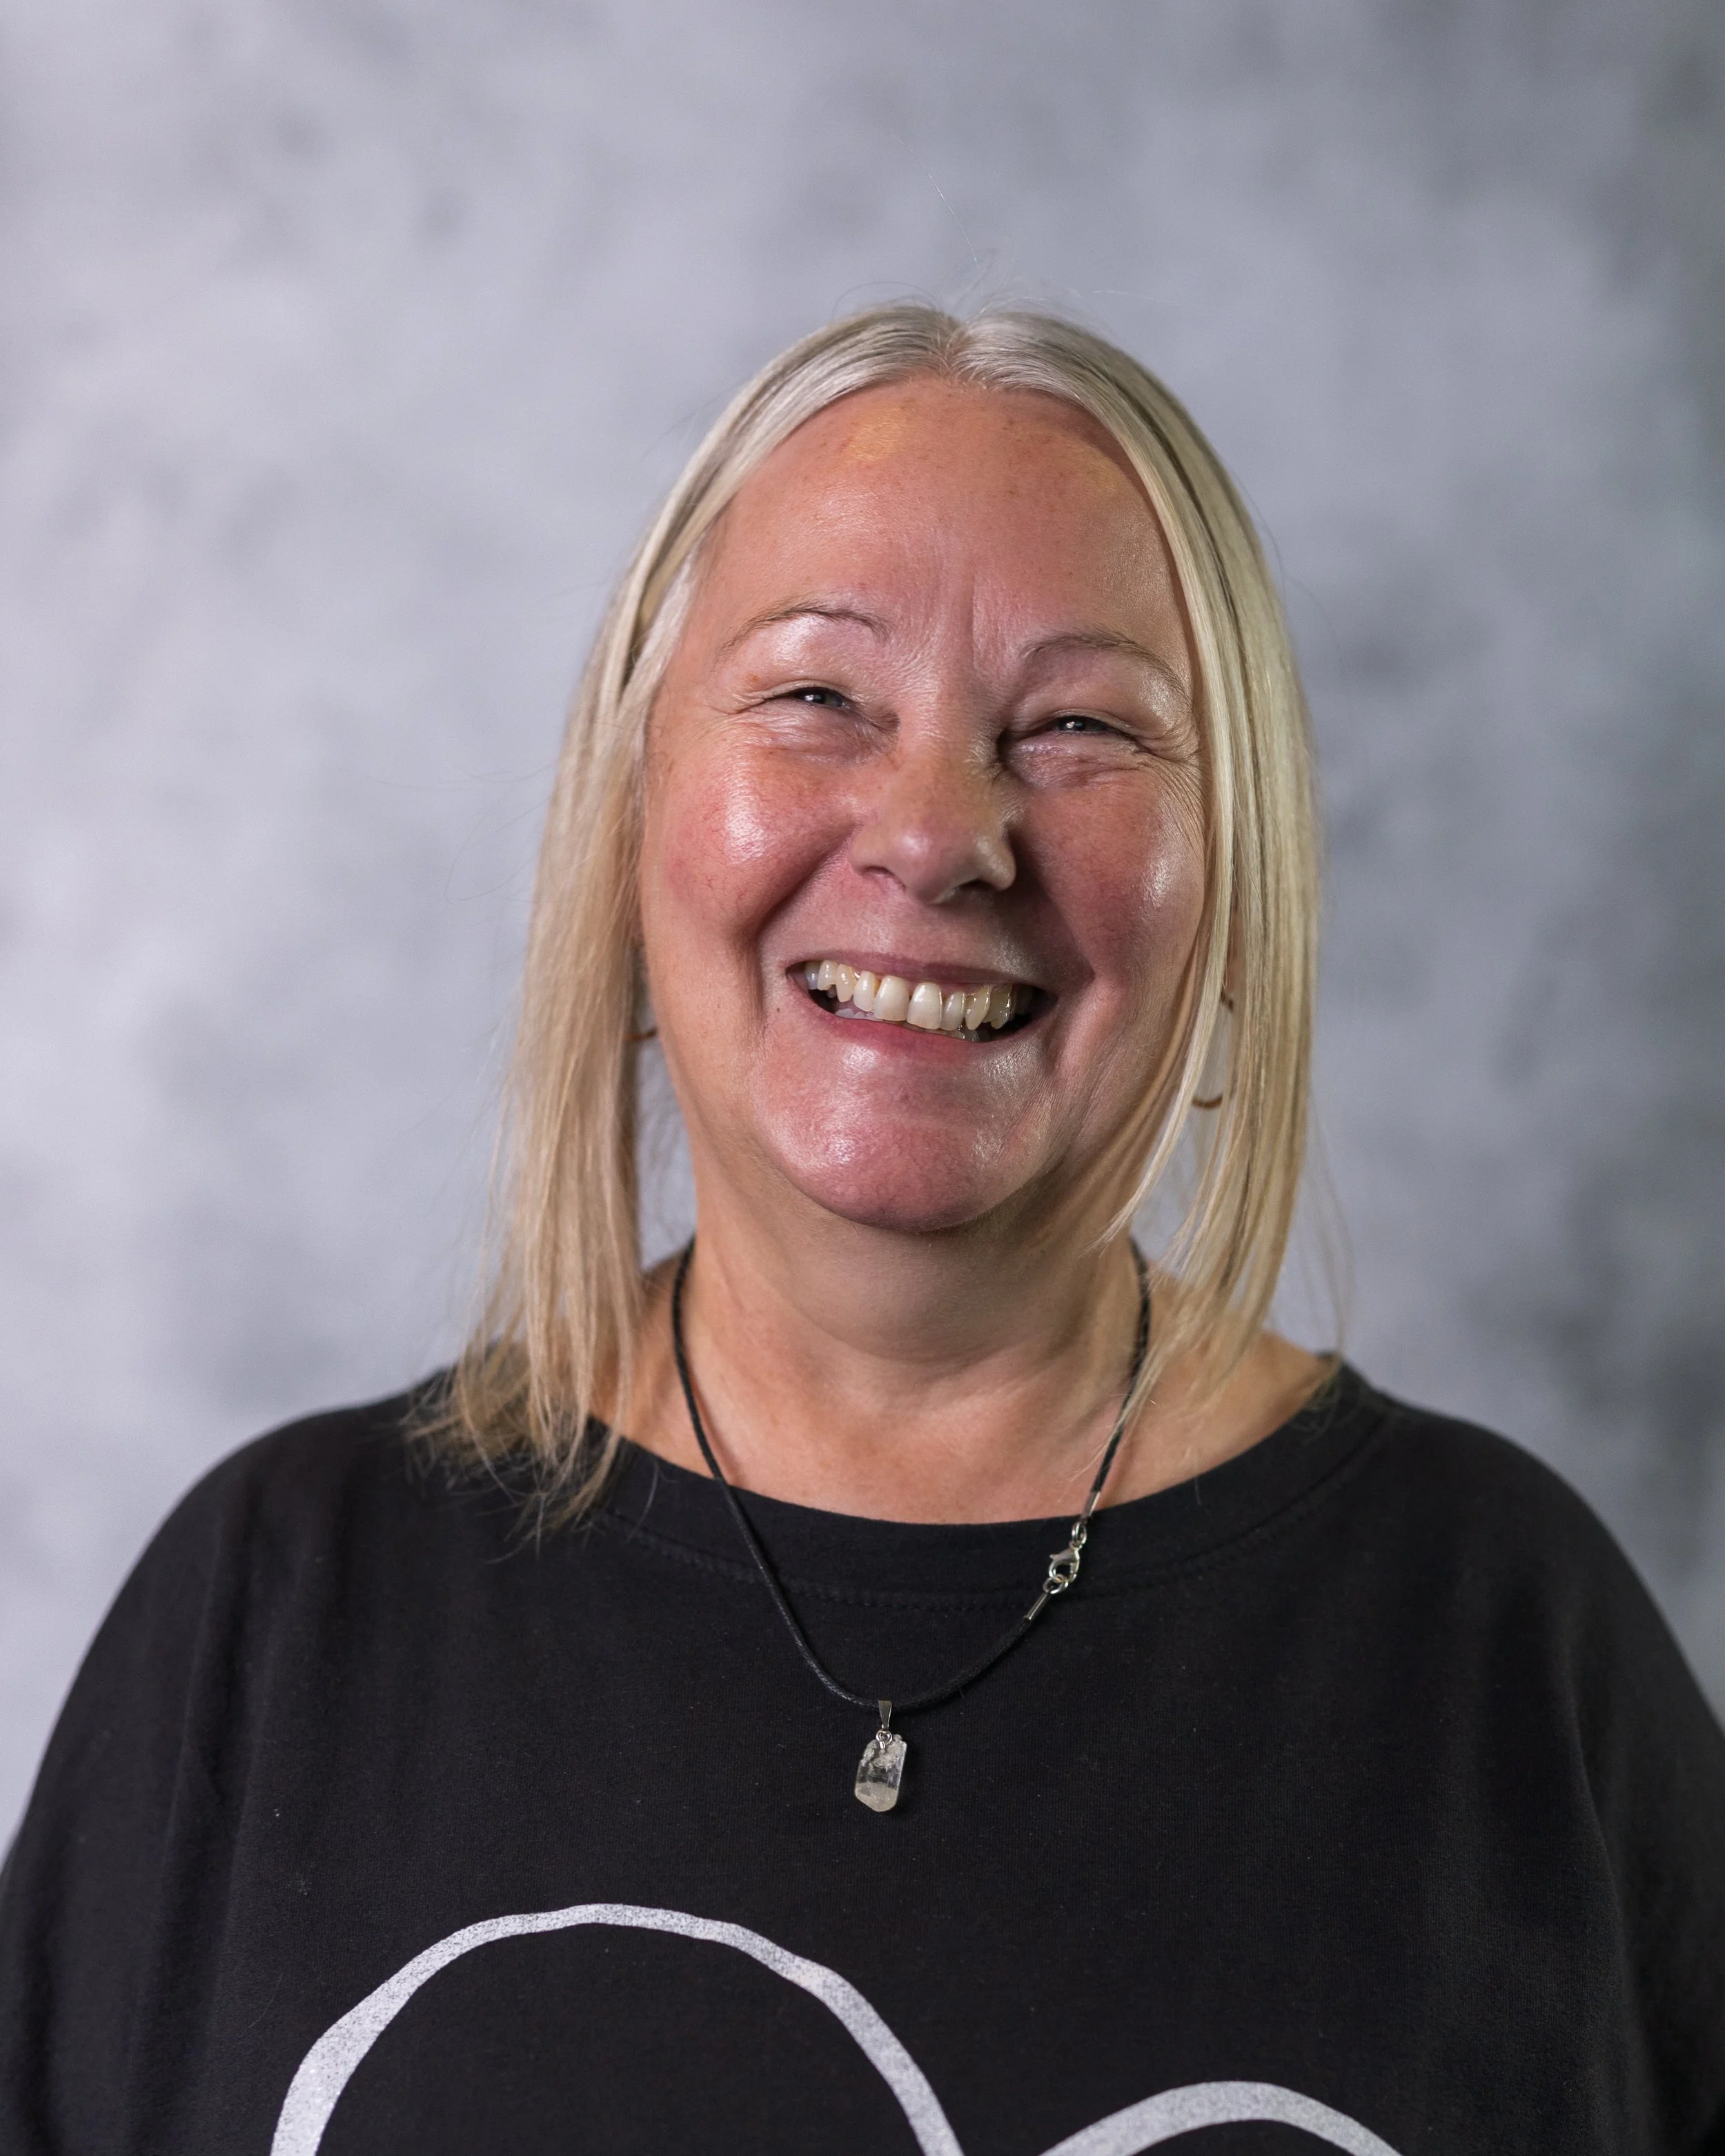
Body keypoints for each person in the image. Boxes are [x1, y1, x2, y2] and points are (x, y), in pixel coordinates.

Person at [2, 305, 1722, 2156]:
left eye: (1076, 726)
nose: (935, 832)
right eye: (820, 696)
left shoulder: (1509, 1656)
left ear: (1234, 883)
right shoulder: (276, 1615)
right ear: (633, 803)